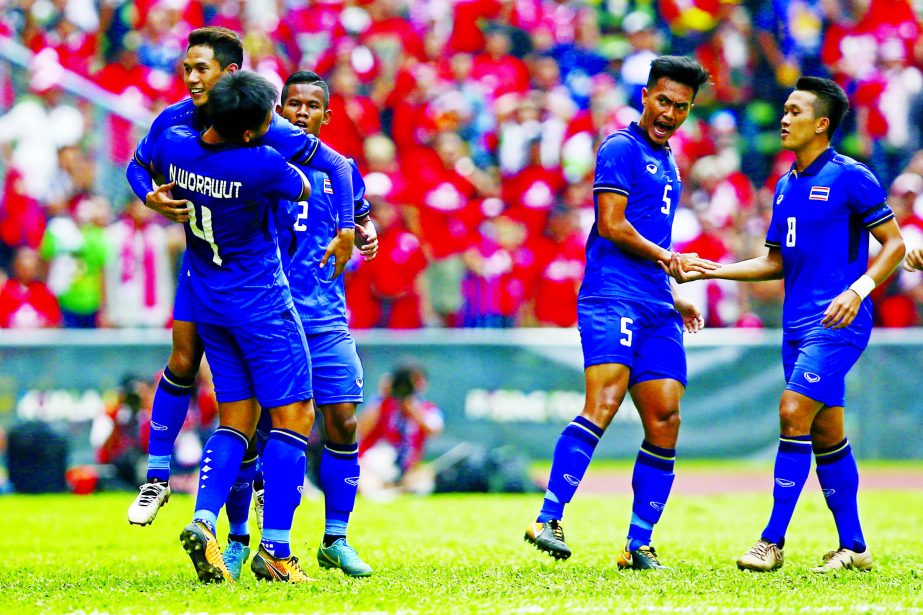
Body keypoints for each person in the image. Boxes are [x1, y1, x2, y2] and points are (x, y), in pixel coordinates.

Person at [125, 27, 354, 539]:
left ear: (230, 74)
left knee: (235, 412)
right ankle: (168, 483)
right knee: (269, 404)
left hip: (210, 283)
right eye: (186, 68)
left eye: (200, 68)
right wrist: (148, 196)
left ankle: (222, 530)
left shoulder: (186, 138)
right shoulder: (220, 137)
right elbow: (136, 167)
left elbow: (145, 163)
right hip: (243, 288)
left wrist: (153, 192)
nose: (189, 78)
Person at [671, 77, 906, 573]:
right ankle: (855, 547)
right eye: (783, 110)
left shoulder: (851, 177)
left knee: (792, 410)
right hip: (795, 325)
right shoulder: (785, 185)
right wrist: (715, 268)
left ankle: (771, 541)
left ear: (821, 124)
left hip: (839, 320)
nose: (783, 118)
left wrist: (857, 291)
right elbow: (774, 262)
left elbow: (895, 245)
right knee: (825, 434)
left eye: (795, 111)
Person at [523, 55, 713, 570]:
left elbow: (650, 238)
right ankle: (548, 516)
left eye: (682, 106)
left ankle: (638, 544)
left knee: (667, 419)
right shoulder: (620, 148)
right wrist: (670, 260)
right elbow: (611, 225)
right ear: (646, 96)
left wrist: (672, 290)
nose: (670, 113)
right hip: (611, 295)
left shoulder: (669, 159)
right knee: (602, 403)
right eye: (664, 101)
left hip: (656, 302)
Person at [149, 70, 316, 584]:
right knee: (296, 418)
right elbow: (303, 183)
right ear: (251, 130)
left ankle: (203, 521)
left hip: (209, 304)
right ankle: (275, 551)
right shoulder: (262, 163)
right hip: (262, 305)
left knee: (236, 419)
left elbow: (151, 158)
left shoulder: (174, 146)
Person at [267, 70, 378, 577]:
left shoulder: (343, 170)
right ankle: (260, 542)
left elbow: (362, 219)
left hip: (327, 316)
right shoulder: (258, 165)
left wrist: (366, 235)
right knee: (265, 430)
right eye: (294, 104)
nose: (303, 112)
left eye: (313, 105)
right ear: (280, 111)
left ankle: (335, 538)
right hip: (270, 316)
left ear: (326, 116)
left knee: (344, 420)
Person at [357, 364, 444, 495]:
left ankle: (391, 489)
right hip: (374, 465)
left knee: (424, 482)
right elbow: (361, 430)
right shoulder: (381, 406)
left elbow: (434, 429)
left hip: (407, 469)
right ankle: (384, 488)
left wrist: (411, 406)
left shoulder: (427, 409)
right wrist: (381, 396)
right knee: (369, 475)